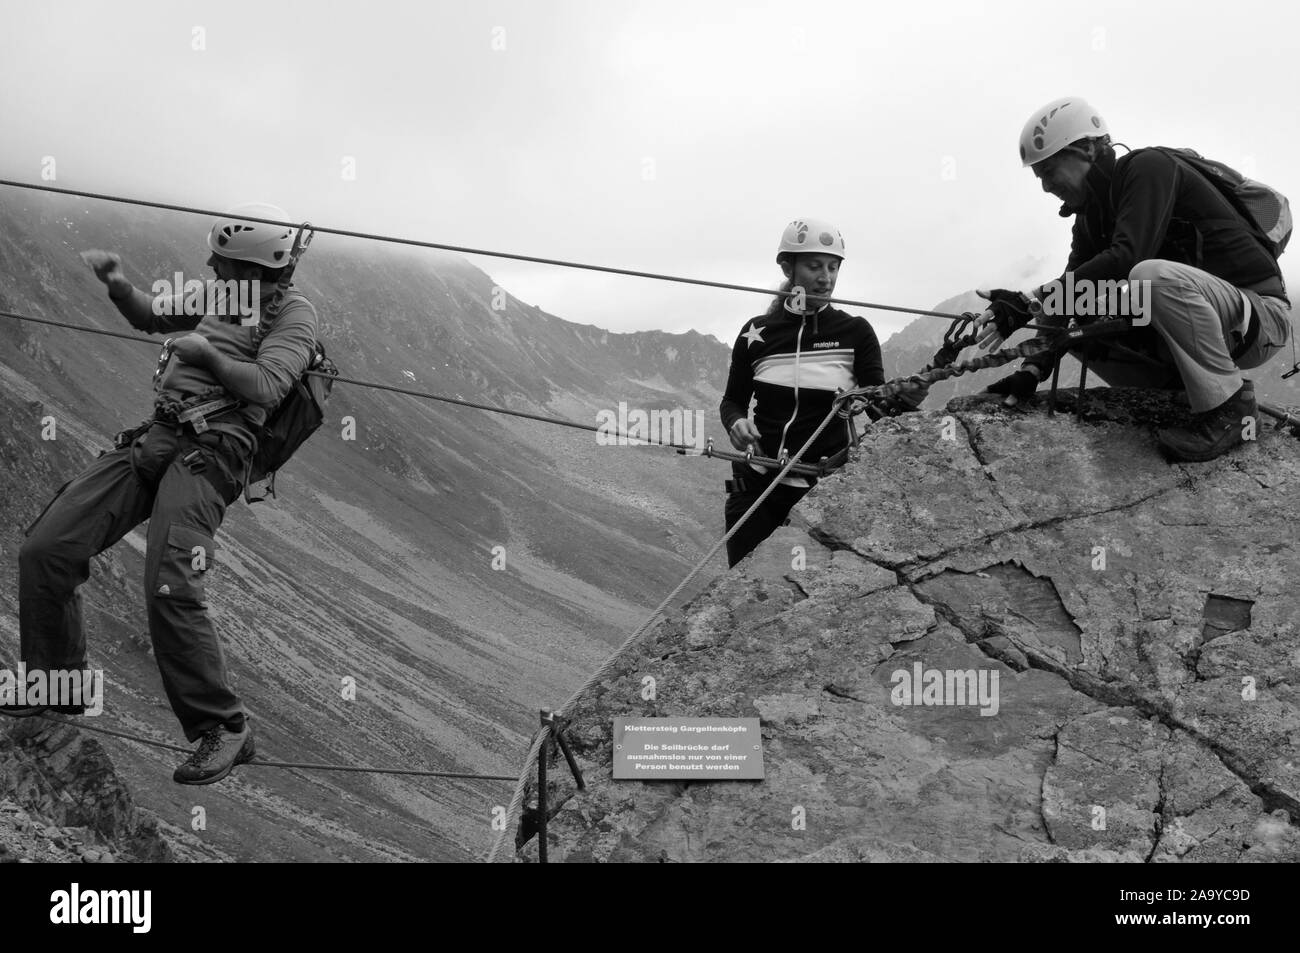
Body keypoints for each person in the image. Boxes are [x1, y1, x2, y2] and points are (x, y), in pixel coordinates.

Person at [4, 204, 319, 786]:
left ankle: (223, 729)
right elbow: (151, 315)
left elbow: (270, 385)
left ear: (254, 272)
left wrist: (208, 357)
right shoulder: (223, 294)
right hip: (158, 437)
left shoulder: (294, 315)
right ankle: (58, 685)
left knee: (172, 584)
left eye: (222, 263)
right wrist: (118, 286)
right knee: (47, 548)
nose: (210, 267)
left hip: (214, 454)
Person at [975, 96, 1291, 462]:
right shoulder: (1090, 219)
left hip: (1259, 317)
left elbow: (1129, 256)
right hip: (1210, 324)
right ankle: (1180, 393)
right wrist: (1031, 370)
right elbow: (1067, 298)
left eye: (1048, 171)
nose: (1046, 187)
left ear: (1088, 149)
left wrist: (1027, 300)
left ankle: (1231, 409)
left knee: (1147, 276)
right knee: (1080, 318)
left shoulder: (1149, 168)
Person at [719, 218, 927, 567]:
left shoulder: (855, 332)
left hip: (822, 492)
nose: (826, 277)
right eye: (814, 266)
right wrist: (736, 422)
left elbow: (876, 403)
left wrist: (904, 400)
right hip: (756, 488)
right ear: (788, 267)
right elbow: (732, 401)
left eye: (833, 267)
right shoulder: (755, 334)